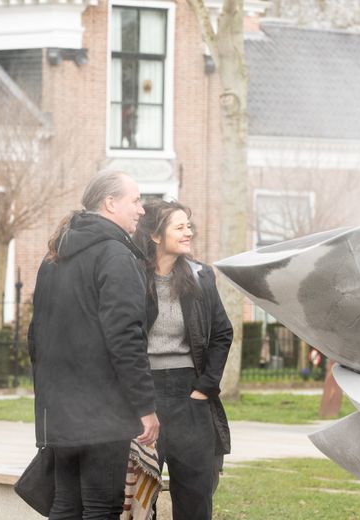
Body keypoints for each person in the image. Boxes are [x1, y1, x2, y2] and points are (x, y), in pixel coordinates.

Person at [28, 170, 160, 520]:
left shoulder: (53, 256)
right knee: (101, 508)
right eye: (135, 200)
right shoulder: (115, 256)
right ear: (110, 203)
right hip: (103, 411)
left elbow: (36, 336)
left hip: (59, 408)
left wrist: (49, 399)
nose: (142, 210)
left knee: (65, 505)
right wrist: (145, 406)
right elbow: (126, 337)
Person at [132, 200, 233, 520]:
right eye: (179, 227)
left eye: (188, 226)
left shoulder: (201, 276)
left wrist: (204, 389)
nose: (188, 232)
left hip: (190, 395)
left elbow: (222, 333)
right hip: (143, 395)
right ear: (155, 236)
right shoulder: (131, 276)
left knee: (195, 498)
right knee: (137, 500)